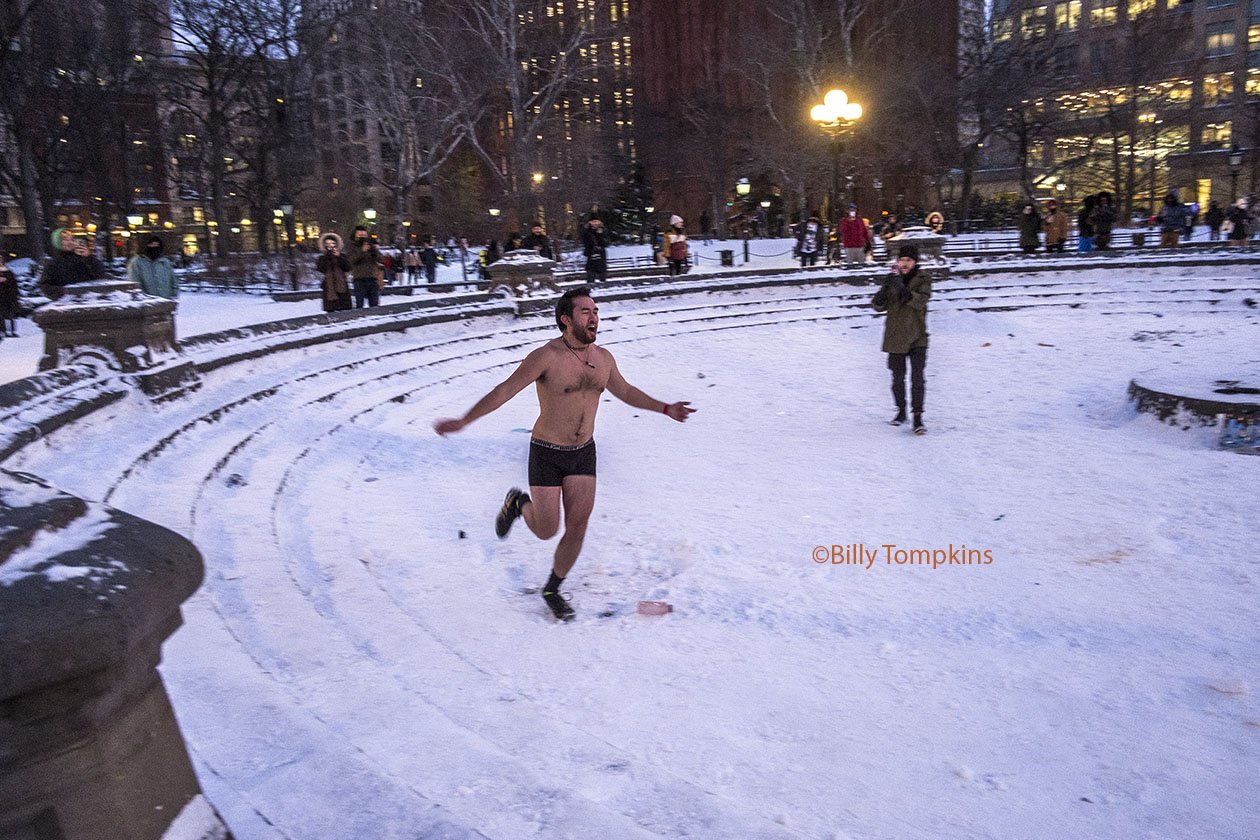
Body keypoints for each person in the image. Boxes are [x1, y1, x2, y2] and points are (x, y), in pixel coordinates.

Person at [433, 287, 695, 621]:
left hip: (583, 452)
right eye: (585, 312)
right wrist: (465, 420)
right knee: (547, 529)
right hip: (546, 452)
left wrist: (665, 407)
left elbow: (625, 391)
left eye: (596, 311)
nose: (594, 317)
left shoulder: (603, 359)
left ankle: (552, 588)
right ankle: (517, 503)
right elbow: (506, 389)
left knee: (578, 525)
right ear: (565, 320)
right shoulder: (546, 357)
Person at [871, 243, 932, 435]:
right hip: (895, 336)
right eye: (902, 260)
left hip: (917, 336)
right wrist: (884, 289)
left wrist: (902, 289)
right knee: (897, 378)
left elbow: (920, 301)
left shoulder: (924, 279)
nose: (904, 264)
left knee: (917, 379)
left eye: (908, 260)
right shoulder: (893, 279)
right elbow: (878, 306)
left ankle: (917, 416)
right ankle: (901, 411)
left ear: (915, 262)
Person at [40, 228, 106, 300]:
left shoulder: (83, 259)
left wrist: (89, 257)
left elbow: (100, 275)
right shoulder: (53, 264)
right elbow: (46, 287)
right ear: (58, 242)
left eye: (72, 239)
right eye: (65, 239)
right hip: (67, 305)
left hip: (89, 301)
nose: (70, 242)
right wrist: (66, 292)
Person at [127, 235, 178, 299]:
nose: (154, 247)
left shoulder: (165, 262)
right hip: (148, 304)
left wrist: (173, 296)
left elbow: (173, 281)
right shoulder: (136, 262)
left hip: (166, 302)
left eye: (156, 245)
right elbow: (135, 284)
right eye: (151, 244)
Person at [347, 225, 382, 308]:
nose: (362, 233)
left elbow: (380, 260)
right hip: (359, 279)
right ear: (355, 234)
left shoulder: (371, 245)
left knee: (374, 304)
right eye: (359, 232)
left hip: (372, 278)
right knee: (359, 304)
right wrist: (362, 251)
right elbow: (351, 261)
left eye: (363, 232)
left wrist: (374, 251)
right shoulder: (352, 245)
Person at [315, 233, 352, 311]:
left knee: (344, 309)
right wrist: (327, 257)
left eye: (332, 243)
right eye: (327, 244)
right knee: (331, 308)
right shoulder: (322, 258)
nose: (330, 246)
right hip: (329, 288)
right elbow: (321, 269)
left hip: (342, 287)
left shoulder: (342, 256)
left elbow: (347, 268)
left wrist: (338, 257)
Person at [581, 216, 608, 283]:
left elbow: (605, 243)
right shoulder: (586, 231)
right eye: (593, 222)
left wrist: (600, 235)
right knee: (591, 272)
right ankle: (590, 285)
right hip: (591, 254)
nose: (595, 223)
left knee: (602, 271)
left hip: (601, 254)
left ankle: (603, 285)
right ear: (590, 222)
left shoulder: (603, 231)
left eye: (597, 221)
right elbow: (585, 242)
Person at [0, 253, 19, 337]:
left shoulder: (9, 272)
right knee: (1, 315)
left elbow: (14, 284)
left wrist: (6, 281)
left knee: (11, 314)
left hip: (8, 296)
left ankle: (12, 331)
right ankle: (3, 331)